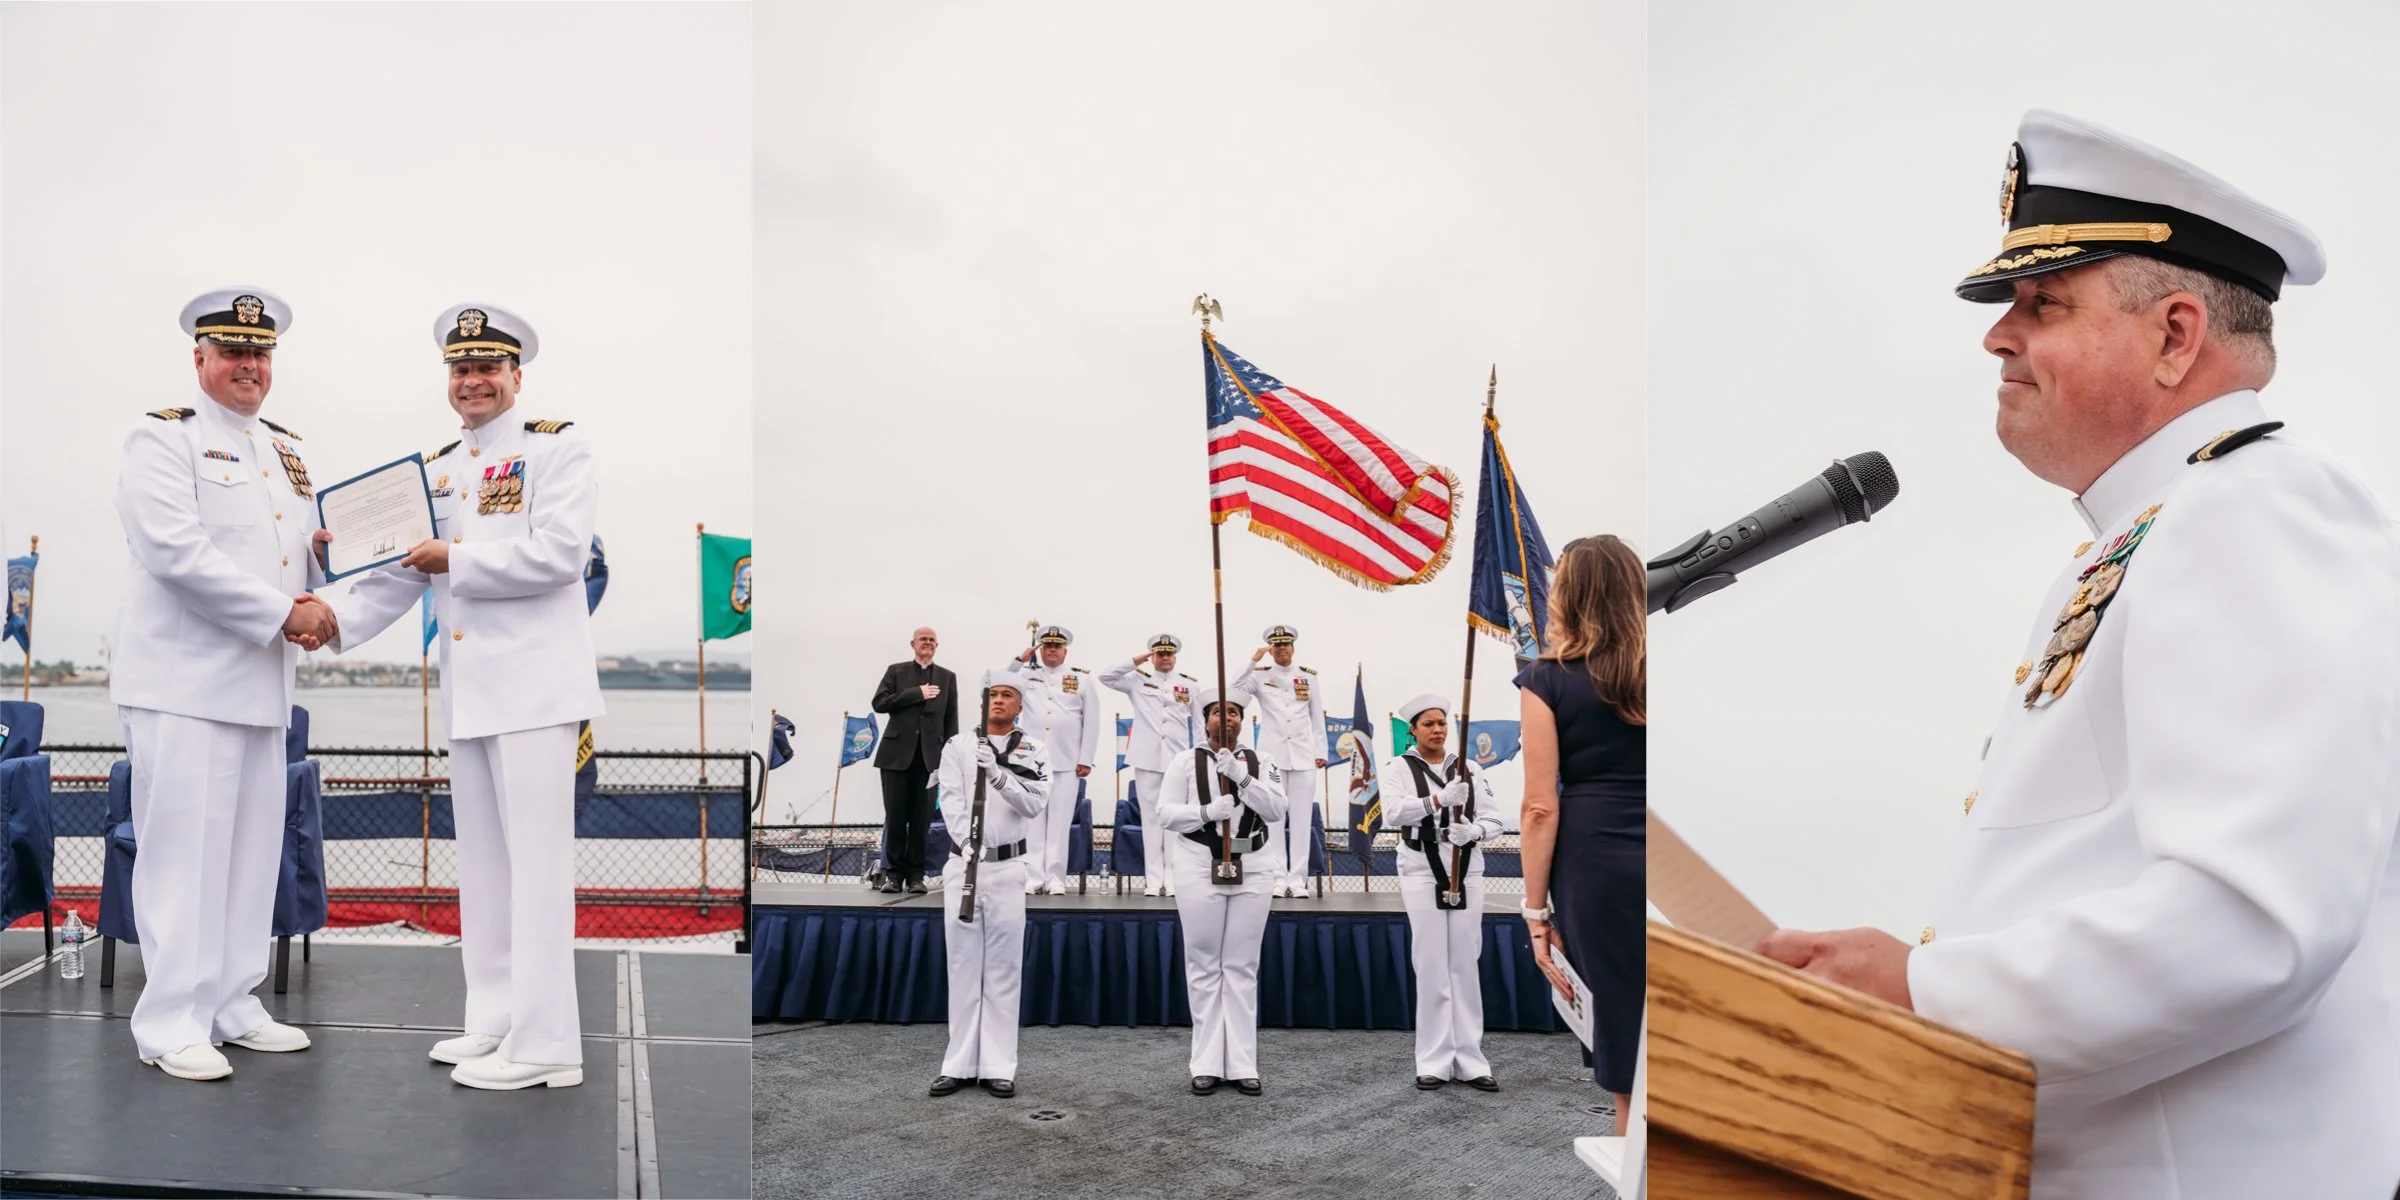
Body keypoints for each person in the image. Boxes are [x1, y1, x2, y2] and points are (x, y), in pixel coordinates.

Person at [1756, 111, 2400, 1200]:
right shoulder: (2158, 529)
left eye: (2042, 302)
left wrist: (1923, 991)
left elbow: (2251, 922)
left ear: (2176, 334)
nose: (1998, 336)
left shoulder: (2251, 510)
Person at [323, 302, 602, 1090]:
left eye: (486, 367)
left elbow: (559, 556)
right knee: (485, 866)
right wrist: (327, 618)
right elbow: (401, 570)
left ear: (517, 374)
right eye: (460, 368)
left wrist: (456, 558)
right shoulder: (441, 467)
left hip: (536, 691)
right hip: (472, 692)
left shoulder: (557, 449)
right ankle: (496, 1017)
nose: (472, 380)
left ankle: (549, 1046)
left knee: (539, 870)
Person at [110, 287, 328, 1080]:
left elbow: (298, 557)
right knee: (181, 855)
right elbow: (176, 553)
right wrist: (284, 614)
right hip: (183, 683)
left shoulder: (286, 450)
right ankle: (170, 1021)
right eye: (233, 351)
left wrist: (335, 564)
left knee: (246, 854)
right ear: (199, 358)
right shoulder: (162, 440)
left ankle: (233, 1002)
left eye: (260, 353)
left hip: (260, 684)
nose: (249, 365)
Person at [1516, 535, 1645, 1125]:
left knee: (1625, 1040)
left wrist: (1536, 914)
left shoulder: (1547, 679)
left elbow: (1540, 807)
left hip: (1594, 861)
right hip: (1673, 853)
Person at [1156, 687, 1284, 1095]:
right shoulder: (1183, 761)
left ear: (1242, 721)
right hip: (1198, 862)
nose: (1225, 718)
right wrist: (1206, 813)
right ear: (1205, 720)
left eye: (1233, 713)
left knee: (1242, 966)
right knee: (1205, 964)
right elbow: (1165, 814)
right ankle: (1207, 1062)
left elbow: (1277, 810)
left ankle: (1243, 1063)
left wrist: (1242, 778)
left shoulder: (1263, 761)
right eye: (1217, 712)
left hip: (1254, 864)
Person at [928, 671, 1049, 1099]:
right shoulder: (958, 745)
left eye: (1007, 696)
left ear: (1019, 706)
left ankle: (999, 1065)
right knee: (962, 968)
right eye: (993, 695)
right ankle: (958, 1063)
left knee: (1002, 969)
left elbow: (1035, 803)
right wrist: (966, 842)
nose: (998, 701)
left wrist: (998, 775)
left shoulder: (1034, 749)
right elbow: (950, 797)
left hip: (1008, 866)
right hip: (965, 865)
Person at [1380, 694, 1503, 1091]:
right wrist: (1438, 800)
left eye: (1443, 723)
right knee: (1432, 962)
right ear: (1412, 730)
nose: (1438, 730)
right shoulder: (1398, 768)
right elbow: (1394, 813)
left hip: (1466, 865)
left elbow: (1494, 817)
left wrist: (1477, 831)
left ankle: (1470, 1058)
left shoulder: (1469, 767)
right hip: (1420, 866)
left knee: (1465, 961)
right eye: (1429, 724)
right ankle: (1433, 1060)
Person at [1230, 624, 1326, 898]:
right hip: (1271, 758)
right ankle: (1276, 877)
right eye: (1277, 645)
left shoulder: (1309, 677)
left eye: (1286, 645)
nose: (1282, 649)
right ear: (1271, 649)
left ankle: (1297, 880)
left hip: (1304, 756)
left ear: (1293, 648)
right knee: (1272, 818)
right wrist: (1253, 660)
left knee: (1301, 819)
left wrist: (1320, 752)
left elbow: (1317, 716)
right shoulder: (1260, 677)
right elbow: (1234, 688)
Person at [1099, 634, 1196, 897]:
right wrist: (1138, 658)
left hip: (1178, 760)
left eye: (1168, 653)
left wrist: (1198, 758)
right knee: (1151, 820)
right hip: (1147, 759)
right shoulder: (1137, 680)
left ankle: (1173, 878)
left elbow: (1197, 726)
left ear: (1175, 656)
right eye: (1159, 653)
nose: (1164, 658)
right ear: (1153, 656)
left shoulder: (1189, 686)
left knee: (1174, 819)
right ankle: (1154, 879)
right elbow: (1106, 676)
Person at [1007, 624, 1098, 895]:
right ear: (1041, 649)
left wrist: (1086, 758)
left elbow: (1091, 722)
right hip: (1030, 759)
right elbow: (995, 683)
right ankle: (1033, 876)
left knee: (1059, 823)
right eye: (1047, 646)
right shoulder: (1025, 674)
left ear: (1064, 651)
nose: (1051, 651)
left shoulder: (1081, 679)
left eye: (1056, 647)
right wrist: (1020, 660)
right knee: (1033, 821)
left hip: (1067, 760)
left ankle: (1055, 877)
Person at [870, 628, 959, 894]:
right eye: (923, 640)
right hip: (895, 756)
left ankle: (916, 876)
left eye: (932, 640)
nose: (928, 644)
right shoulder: (896, 672)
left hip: (929, 759)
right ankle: (894, 876)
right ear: (913, 644)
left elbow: (950, 719)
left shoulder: (947, 677)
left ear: (937, 645)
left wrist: (950, 757)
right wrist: (916, 693)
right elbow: (880, 703)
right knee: (896, 817)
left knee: (921, 820)